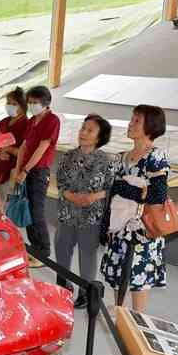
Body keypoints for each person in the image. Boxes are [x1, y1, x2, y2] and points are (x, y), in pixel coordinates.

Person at [101, 105, 170, 312]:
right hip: (118, 229)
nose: (130, 124)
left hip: (142, 231)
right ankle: (120, 320)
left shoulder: (156, 157)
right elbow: (112, 194)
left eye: (137, 121)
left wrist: (124, 187)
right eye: (132, 120)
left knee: (138, 279)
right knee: (117, 280)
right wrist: (105, 226)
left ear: (151, 126)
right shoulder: (122, 157)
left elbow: (157, 195)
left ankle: (137, 327)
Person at [54, 114, 116, 309]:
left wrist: (93, 197)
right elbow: (61, 181)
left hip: (92, 216)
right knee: (62, 249)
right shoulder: (67, 156)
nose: (83, 133)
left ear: (99, 137)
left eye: (90, 130)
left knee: (87, 254)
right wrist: (72, 196)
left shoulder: (106, 161)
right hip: (67, 212)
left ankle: (85, 292)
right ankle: (63, 286)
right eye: (83, 128)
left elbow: (111, 188)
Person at [14, 86, 60, 267]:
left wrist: (26, 171)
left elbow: (42, 148)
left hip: (38, 172)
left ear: (46, 103)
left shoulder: (52, 121)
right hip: (26, 169)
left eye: (35, 102)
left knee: (36, 211)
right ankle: (34, 249)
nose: (32, 106)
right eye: (30, 102)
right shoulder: (32, 120)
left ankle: (43, 253)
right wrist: (19, 169)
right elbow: (24, 146)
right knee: (27, 211)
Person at [0, 87, 28, 188]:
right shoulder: (2, 122)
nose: (10, 106)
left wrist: (7, 149)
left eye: (14, 104)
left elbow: (26, 152)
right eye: (8, 103)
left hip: (13, 172)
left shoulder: (27, 125)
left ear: (23, 107)